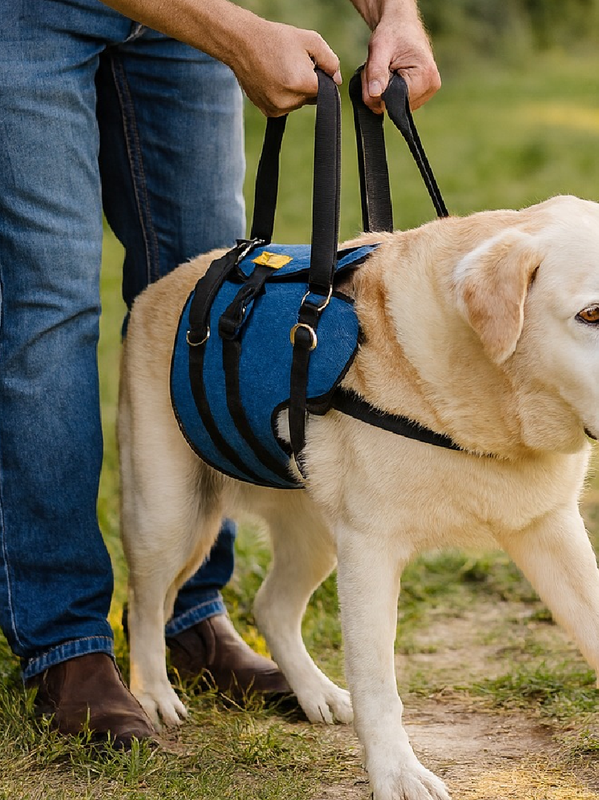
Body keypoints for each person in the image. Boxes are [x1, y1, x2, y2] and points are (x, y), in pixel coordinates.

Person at [0, 0, 439, 748]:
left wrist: (395, 12)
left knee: (211, 299)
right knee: (51, 308)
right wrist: (233, 33)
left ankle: (191, 615)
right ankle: (65, 644)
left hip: (190, 26)